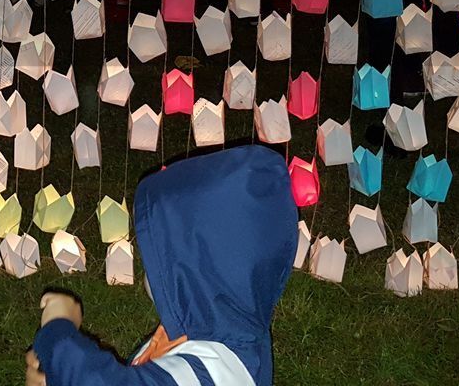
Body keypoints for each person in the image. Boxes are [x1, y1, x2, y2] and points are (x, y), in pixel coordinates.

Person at [27, 145, 298, 386]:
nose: (149, 267)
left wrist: (58, 330)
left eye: (160, 258)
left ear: (195, 272)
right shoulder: (220, 327)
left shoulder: (215, 371)